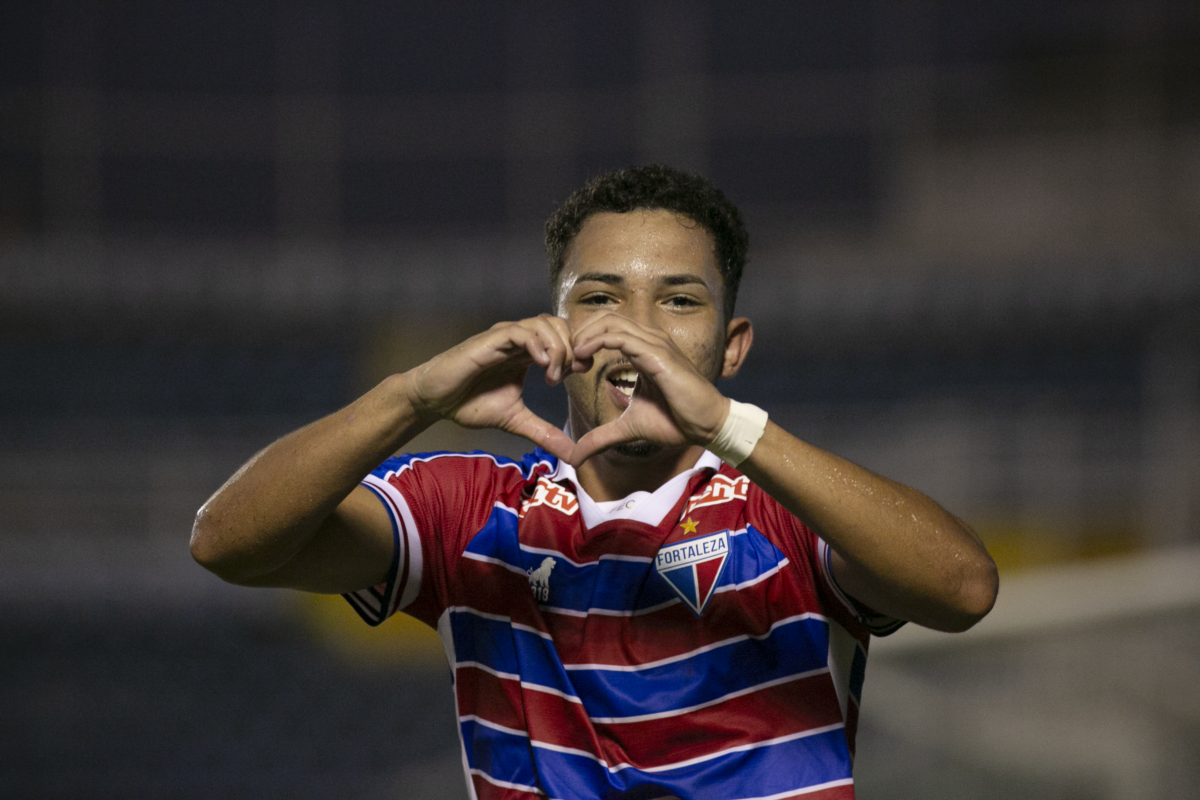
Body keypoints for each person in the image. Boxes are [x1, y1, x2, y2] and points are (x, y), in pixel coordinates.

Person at [191, 165, 998, 799]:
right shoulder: (471, 509)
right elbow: (227, 543)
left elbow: (963, 588)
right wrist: (413, 397)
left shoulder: (788, 501)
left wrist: (730, 428)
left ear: (731, 347)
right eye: (600, 297)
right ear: (557, 331)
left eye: (678, 300)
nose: (636, 331)